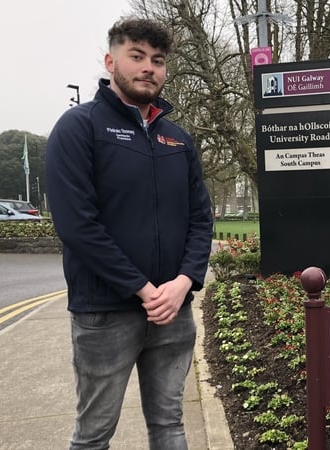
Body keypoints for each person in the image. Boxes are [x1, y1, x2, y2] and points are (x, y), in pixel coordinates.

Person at [45, 18, 213, 450]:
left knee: (170, 425)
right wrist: (141, 288)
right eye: (136, 56)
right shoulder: (79, 128)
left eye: (157, 60)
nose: (148, 68)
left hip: (173, 311)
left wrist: (182, 283)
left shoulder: (178, 140)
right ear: (110, 60)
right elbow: (77, 225)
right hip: (104, 313)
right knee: (94, 433)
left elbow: (201, 219)